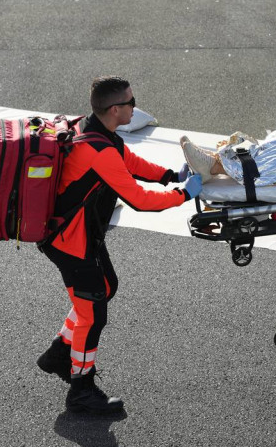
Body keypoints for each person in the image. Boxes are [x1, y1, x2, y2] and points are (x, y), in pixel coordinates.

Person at [35, 76, 203, 415]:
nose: (134, 106)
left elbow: (129, 162)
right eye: (131, 102)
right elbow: (139, 200)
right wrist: (183, 195)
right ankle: (81, 388)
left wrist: (172, 175)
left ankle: (58, 354)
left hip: (82, 235)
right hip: (71, 242)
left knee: (106, 287)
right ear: (115, 109)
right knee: (92, 315)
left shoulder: (96, 130)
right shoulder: (98, 149)